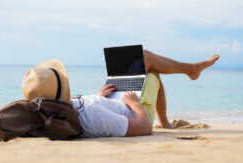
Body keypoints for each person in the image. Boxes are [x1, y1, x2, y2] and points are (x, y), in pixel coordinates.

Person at [22, 49, 219, 137]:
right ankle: (191, 70)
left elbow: (87, 108)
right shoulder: (93, 117)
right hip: (136, 112)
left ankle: (190, 72)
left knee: (143, 60)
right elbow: (143, 128)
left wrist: (98, 97)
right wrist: (134, 105)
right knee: (150, 69)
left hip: (111, 101)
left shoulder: (63, 109)